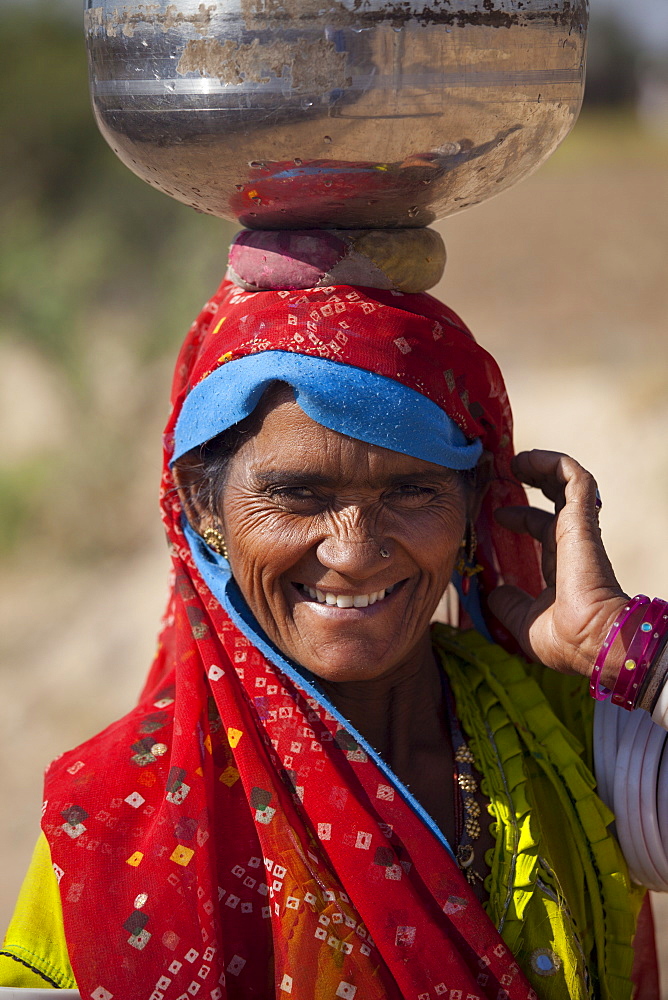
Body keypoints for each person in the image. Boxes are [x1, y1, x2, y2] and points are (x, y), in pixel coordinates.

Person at [1, 278, 666, 999]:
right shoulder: (120, 815)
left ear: (472, 503)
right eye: (297, 494)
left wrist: (623, 645)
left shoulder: (562, 732)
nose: (353, 553)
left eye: (412, 492)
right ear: (203, 503)